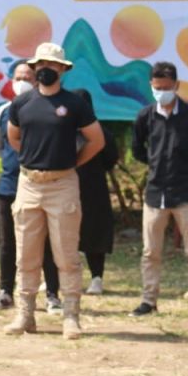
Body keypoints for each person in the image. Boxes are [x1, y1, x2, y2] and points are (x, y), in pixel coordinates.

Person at [5, 42, 104, 339]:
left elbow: (96, 141)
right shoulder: (21, 104)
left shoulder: (75, 104)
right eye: (41, 65)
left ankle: (71, 316)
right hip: (29, 185)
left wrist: (70, 164)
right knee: (26, 255)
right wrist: (35, 162)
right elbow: (14, 138)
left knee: (66, 255)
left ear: (63, 69)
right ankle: (25, 315)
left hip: (62, 185)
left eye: (52, 65)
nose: (46, 69)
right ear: (35, 68)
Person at [129, 61, 188, 321]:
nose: (162, 92)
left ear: (176, 86)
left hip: (186, 194)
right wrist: (155, 166)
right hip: (155, 194)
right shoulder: (145, 116)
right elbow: (138, 150)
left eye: (166, 87)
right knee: (150, 251)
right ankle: (148, 300)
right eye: (157, 88)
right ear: (151, 86)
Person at [0, 61, 62, 312]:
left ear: (37, 79)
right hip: (10, 185)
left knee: (48, 243)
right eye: (18, 76)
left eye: (27, 76)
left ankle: (52, 295)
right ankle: (6, 292)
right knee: (9, 242)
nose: (22, 81)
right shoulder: (4, 112)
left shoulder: (49, 108)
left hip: (42, 185)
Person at [72, 89, 119, 297]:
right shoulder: (64, 130)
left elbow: (111, 159)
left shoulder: (101, 132)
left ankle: (96, 278)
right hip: (65, 188)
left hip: (94, 190)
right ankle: (58, 278)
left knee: (95, 233)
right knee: (62, 235)